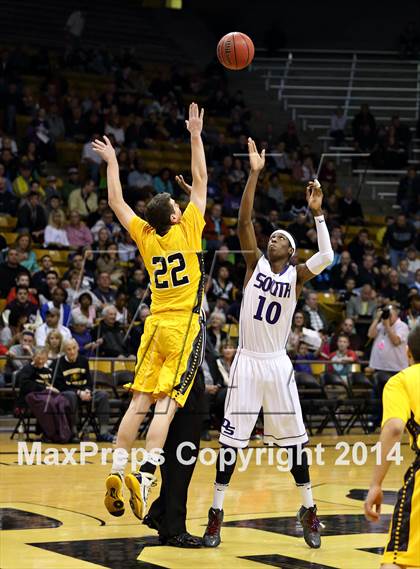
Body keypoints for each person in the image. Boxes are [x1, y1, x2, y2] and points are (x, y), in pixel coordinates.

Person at [203, 138, 334, 549]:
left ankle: (309, 510)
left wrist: (318, 216)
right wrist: (255, 174)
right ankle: (215, 513)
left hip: (277, 365)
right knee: (230, 444)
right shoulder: (254, 263)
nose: (273, 239)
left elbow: (328, 256)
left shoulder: (296, 275)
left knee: (295, 443)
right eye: (272, 236)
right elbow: (244, 222)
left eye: (280, 238)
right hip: (246, 363)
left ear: (291, 252)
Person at [92, 103, 208, 542]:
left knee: (137, 404)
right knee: (166, 407)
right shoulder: (188, 229)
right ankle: (143, 475)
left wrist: (114, 160)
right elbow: (201, 180)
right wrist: (194, 134)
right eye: (178, 206)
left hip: (153, 324)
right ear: (175, 217)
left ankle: (117, 469)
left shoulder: (145, 235)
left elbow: (115, 201)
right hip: (181, 326)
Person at [364, 324, 420, 569]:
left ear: (408, 353)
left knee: (397, 559)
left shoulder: (402, 380)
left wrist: (376, 484)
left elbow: (394, 428)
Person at [54, 339, 113, 442]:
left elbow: (89, 381)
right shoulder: (58, 363)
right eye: (68, 349)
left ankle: (104, 432)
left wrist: (87, 391)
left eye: (74, 348)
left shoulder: (83, 361)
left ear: (77, 348)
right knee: (71, 396)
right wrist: (78, 392)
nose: (72, 352)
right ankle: (74, 431)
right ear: (64, 350)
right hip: (69, 394)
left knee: (102, 395)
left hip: (83, 393)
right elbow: (60, 386)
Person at [368, 305, 410, 429]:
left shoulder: (402, 326)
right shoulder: (381, 325)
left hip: (395, 370)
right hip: (379, 368)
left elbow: (396, 341)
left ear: (396, 315)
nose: (387, 317)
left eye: (389, 315)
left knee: (393, 399)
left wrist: (387, 325)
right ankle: (375, 422)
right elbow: (370, 334)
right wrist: (377, 319)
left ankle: (394, 423)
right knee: (377, 397)